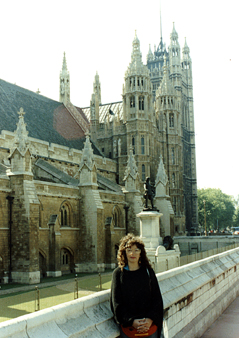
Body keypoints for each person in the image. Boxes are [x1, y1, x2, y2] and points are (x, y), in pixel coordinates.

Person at [110, 234, 164, 338]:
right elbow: (116, 304)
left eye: (136, 250)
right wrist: (132, 321)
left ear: (141, 253)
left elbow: (157, 299)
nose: (132, 253)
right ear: (124, 253)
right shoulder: (118, 274)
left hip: (150, 328)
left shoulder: (148, 272)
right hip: (129, 329)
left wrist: (149, 319)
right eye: (129, 250)